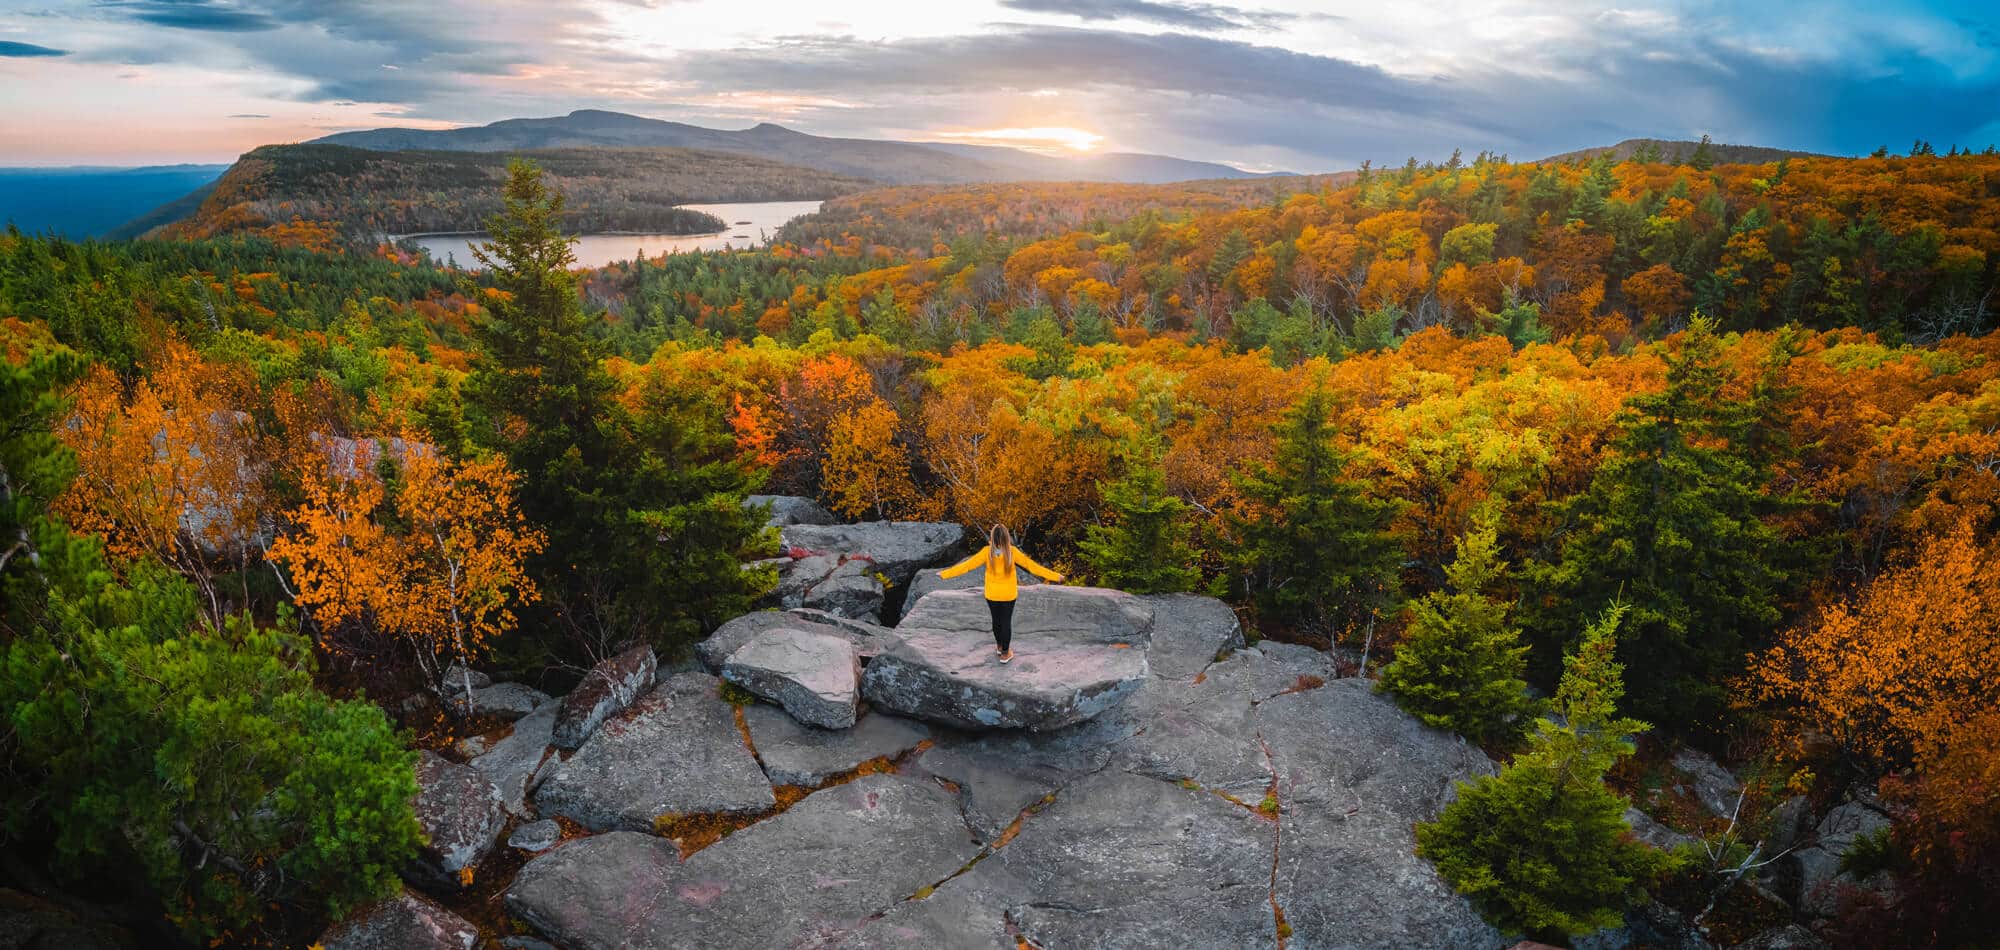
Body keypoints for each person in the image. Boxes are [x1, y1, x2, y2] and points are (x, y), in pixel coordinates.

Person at [938, 524, 1063, 663]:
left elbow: (966, 566)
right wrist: (1055, 576)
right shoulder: (1012, 552)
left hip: (992, 594)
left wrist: (945, 574)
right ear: (1006, 537)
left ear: (992, 537)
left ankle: (999, 646)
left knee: (996, 621)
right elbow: (1032, 566)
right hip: (1008, 594)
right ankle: (1005, 653)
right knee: (1005, 622)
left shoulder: (986, 552)